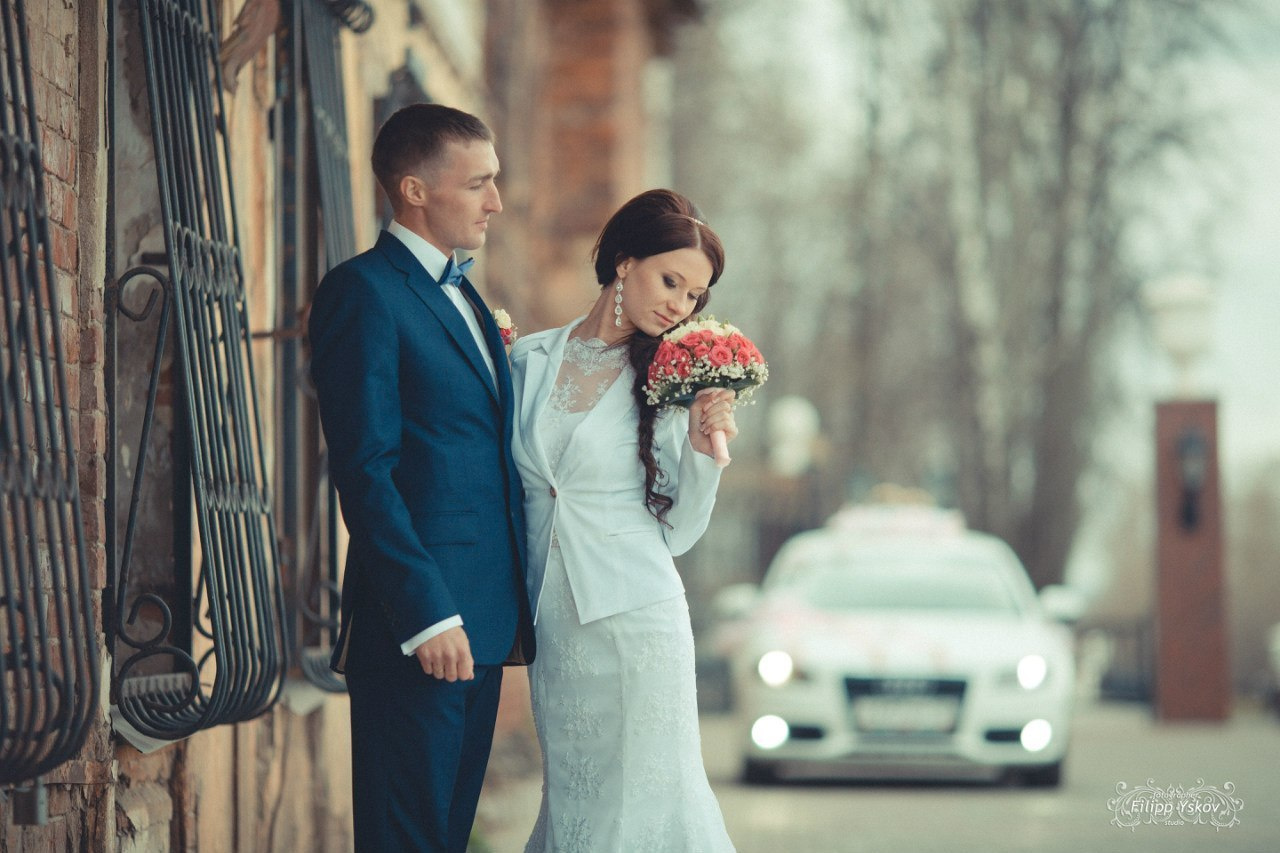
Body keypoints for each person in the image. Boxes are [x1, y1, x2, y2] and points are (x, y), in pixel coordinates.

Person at [308, 103, 535, 852]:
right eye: (477, 183)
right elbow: (364, 471)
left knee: (445, 837)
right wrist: (427, 614)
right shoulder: (363, 292)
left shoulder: (464, 294)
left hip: (485, 623)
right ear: (414, 190)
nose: (494, 201)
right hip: (419, 627)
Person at [509, 189, 738, 852]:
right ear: (624, 261)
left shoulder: (671, 384)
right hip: (555, 626)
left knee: (646, 802)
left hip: (638, 620)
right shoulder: (527, 360)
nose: (680, 305)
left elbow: (680, 533)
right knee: (575, 797)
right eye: (671, 281)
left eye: (694, 295)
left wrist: (703, 453)